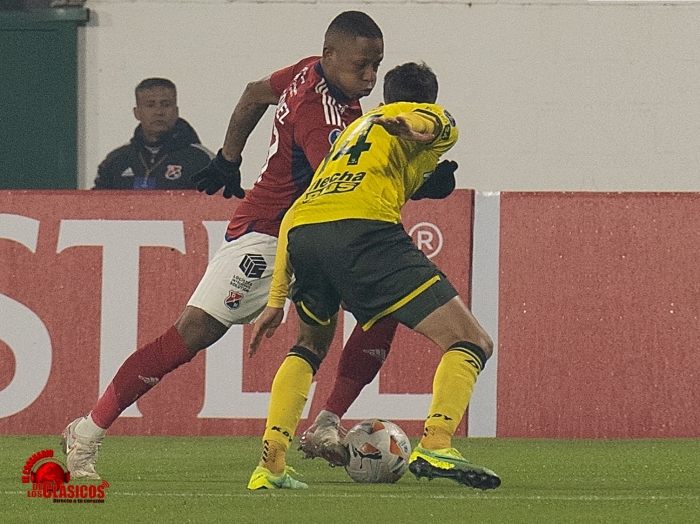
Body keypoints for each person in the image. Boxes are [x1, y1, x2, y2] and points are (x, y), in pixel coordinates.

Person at [60, 11, 387, 481]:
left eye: (376, 65)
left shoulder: (308, 70)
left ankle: (325, 425)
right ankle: (87, 430)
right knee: (190, 335)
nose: (370, 77)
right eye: (361, 66)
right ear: (330, 55)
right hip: (269, 233)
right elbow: (338, 185)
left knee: (377, 310)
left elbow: (254, 93)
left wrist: (229, 157)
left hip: (316, 231)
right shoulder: (321, 118)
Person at [248, 62, 501, 491]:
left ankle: (269, 466)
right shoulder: (429, 115)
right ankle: (436, 443)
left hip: (304, 232)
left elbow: (298, 208)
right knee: (471, 340)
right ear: (429, 99)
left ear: (383, 97)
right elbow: (426, 125)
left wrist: (276, 298)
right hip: (364, 231)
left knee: (308, 347)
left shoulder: (351, 132)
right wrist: (414, 128)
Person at [93, 77, 213, 190]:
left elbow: (218, 201)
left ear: (176, 111)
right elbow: (96, 202)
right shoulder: (117, 161)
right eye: (150, 105)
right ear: (137, 113)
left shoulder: (201, 160)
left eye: (166, 105)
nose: (159, 112)